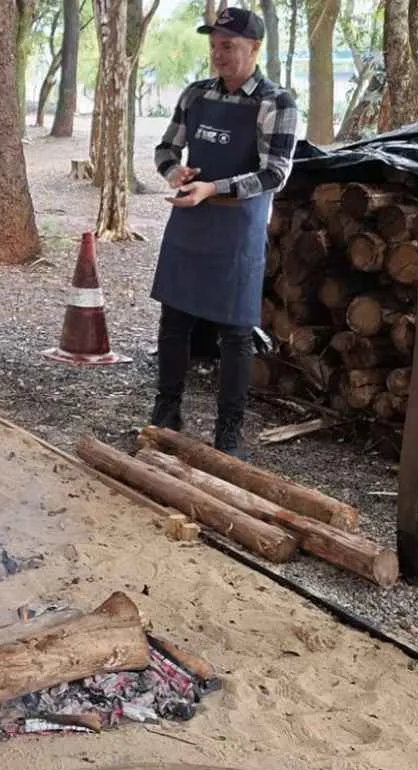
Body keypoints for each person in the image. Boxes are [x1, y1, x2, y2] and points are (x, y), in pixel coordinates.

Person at [149, 8, 296, 456]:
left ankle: (228, 431)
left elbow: (275, 174)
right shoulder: (195, 94)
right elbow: (165, 148)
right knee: (174, 321)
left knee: (235, 332)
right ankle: (166, 411)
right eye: (214, 45)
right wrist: (175, 172)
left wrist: (214, 188)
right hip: (190, 222)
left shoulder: (276, 102)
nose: (218, 54)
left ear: (254, 48)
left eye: (228, 46)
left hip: (238, 231)